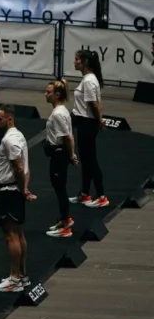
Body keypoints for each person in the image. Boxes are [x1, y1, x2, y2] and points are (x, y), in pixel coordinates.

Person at [0, 105, 31, 293]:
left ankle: (14, 279)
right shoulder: (19, 136)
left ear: (9, 119)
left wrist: (22, 189)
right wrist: (24, 189)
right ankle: (22, 276)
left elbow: (20, 167)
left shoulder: (10, 140)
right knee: (19, 234)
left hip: (9, 191)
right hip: (14, 190)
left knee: (11, 235)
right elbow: (25, 168)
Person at [71, 50, 108, 209]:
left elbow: (94, 104)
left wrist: (99, 120)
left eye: (77, 59)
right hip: (83, 122)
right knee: (86, 160)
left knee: (91, 160)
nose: (75, 62)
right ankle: (85, 193)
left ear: (85, 62)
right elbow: (98, 102)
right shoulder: (88, 79)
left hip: (87, 123)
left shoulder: (89, 81)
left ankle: (101, 196)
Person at [44, 79, 78, 238]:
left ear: (57, 95)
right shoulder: (61, 110)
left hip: (59, 154)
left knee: (60, 189)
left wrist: (71, 155)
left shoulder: (58, 114)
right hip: (59, 153)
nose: (45, 94)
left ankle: (65, 225)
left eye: (48, 92)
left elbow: (68, 137)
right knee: (59, 187)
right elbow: (69, 135)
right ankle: (65, 219)